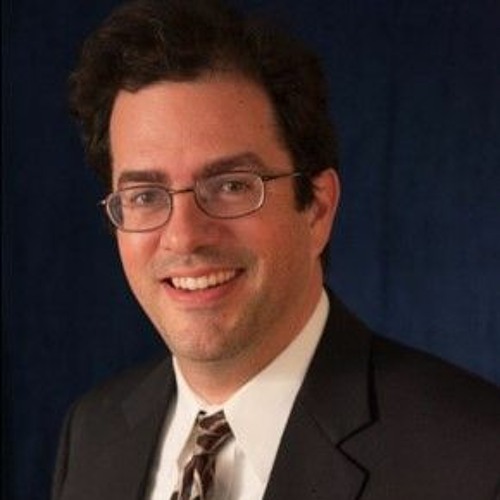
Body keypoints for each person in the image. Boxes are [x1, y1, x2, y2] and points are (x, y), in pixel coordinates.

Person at [52, 1, 500, 499]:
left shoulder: (476, 459)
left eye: (231, 186)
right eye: (144, 196)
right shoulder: (92, 434)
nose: (183, 237)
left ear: (317, 209)